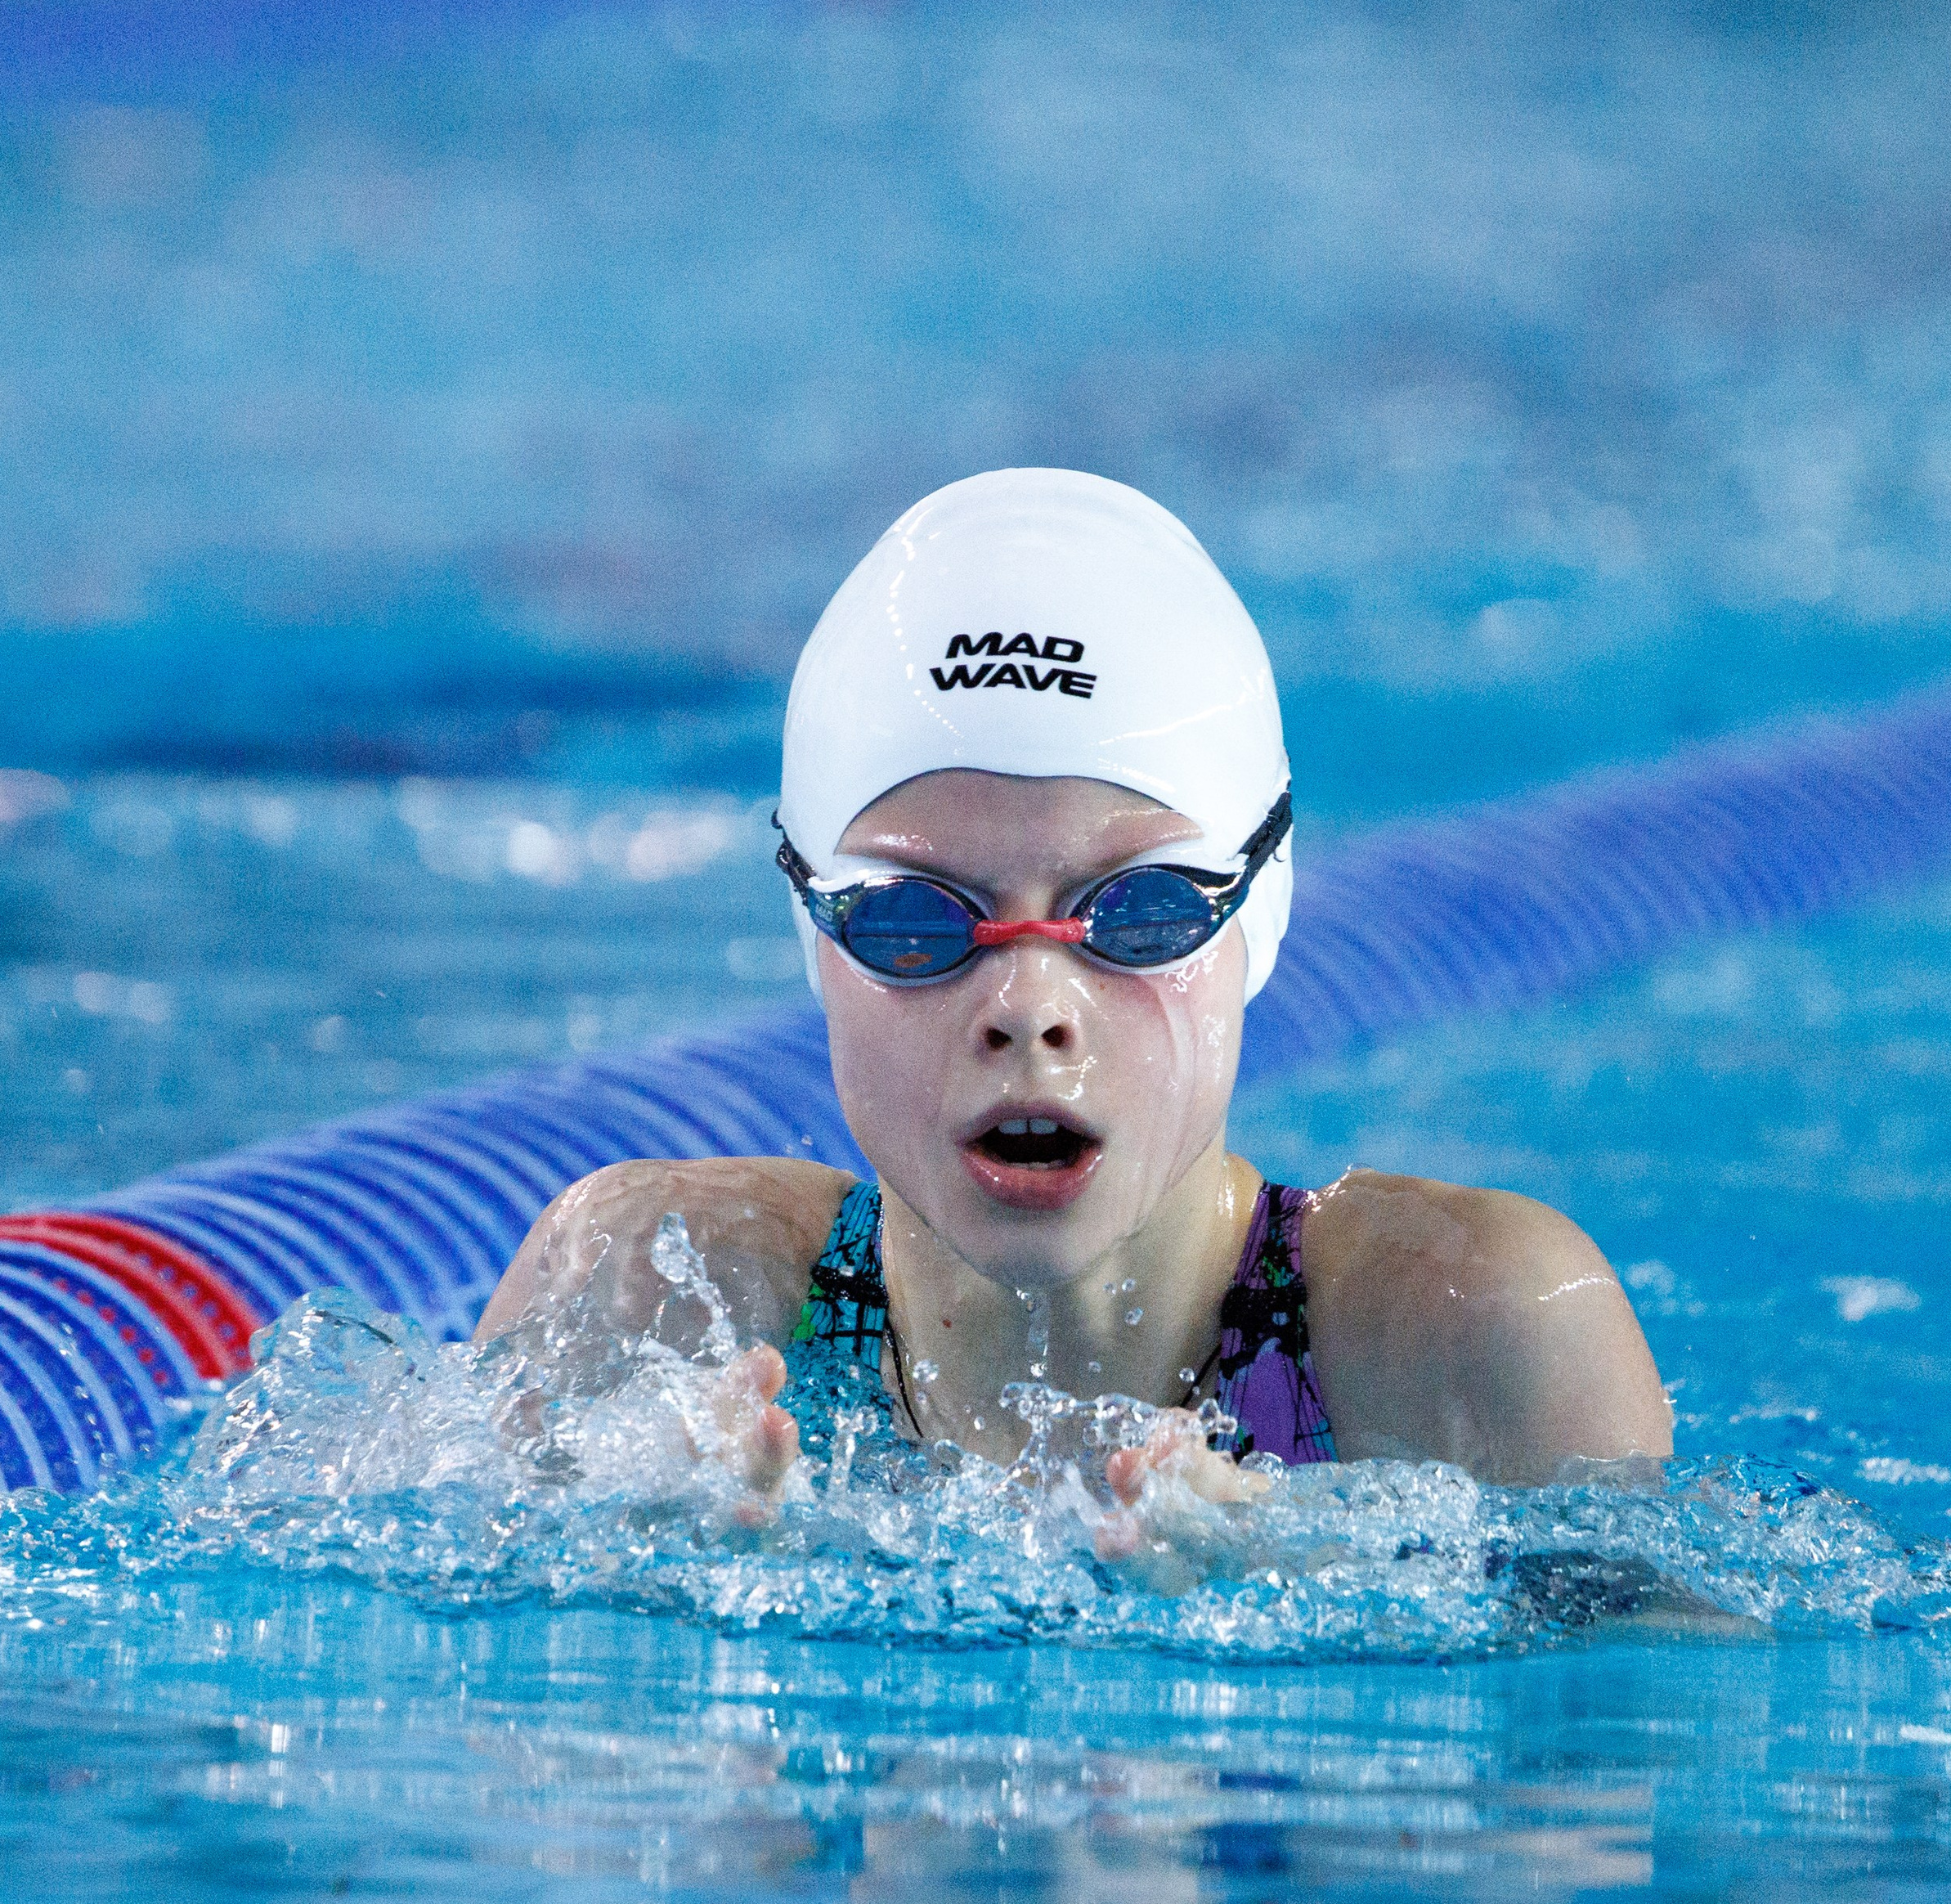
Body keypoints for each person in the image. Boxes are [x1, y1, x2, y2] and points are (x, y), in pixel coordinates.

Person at [476, 469, 1670, 1525]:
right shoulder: (649, 1300)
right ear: (817, 936)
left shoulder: (1475, 1342)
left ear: (1260, 907)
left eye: (1138, 910)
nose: (1027, 1006)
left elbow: (1646, 1739)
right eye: (916, 919)